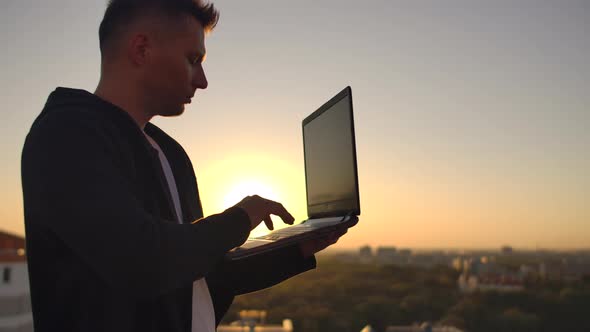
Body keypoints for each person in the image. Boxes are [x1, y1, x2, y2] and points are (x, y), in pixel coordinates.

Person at [20, 0, 347, 331]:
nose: (202, 80)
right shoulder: (65, 136)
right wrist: (242, 216)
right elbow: (142, 260)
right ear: (142, 48)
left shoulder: (170, 153)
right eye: (193, 60)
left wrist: (298, 249)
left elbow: (202, 276)